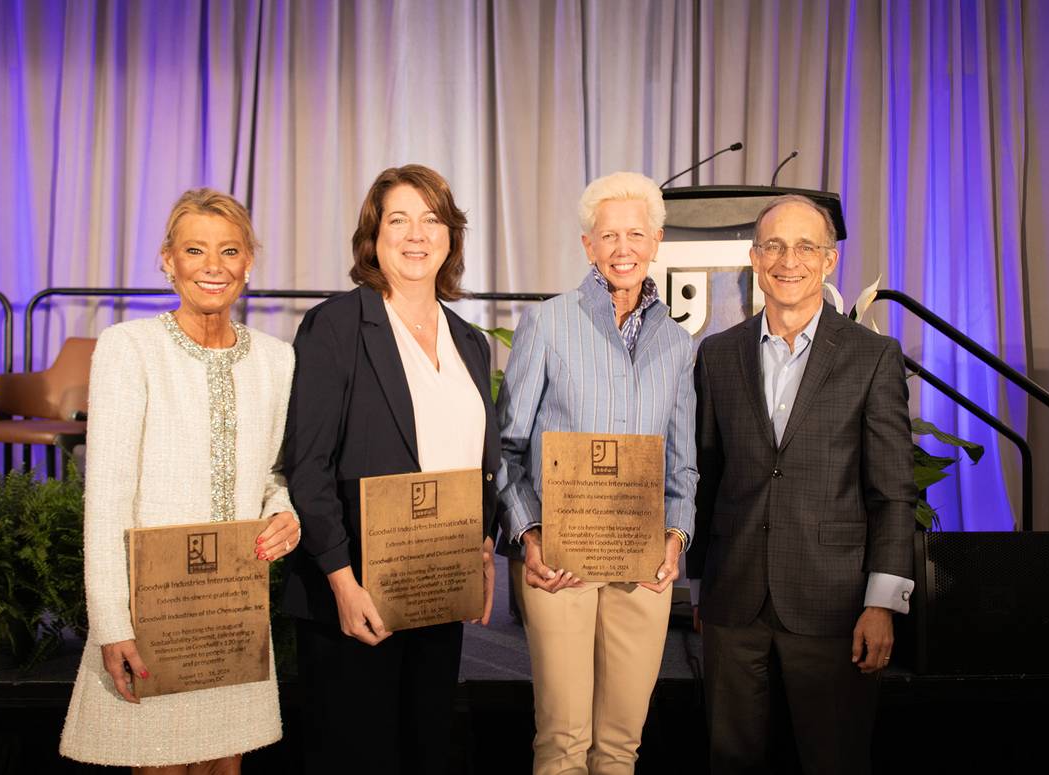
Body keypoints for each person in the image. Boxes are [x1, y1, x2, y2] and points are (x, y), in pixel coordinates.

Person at [60, 188, 302, 773]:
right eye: (195, 250)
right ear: (168, 260)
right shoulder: (129, 349)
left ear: (250, 261)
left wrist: (285, 511)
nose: (213, 266)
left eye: (229, 250)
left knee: (225, 764)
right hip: (152, 613)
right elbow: (107, 498)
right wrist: (112, 625)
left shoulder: (277, 359)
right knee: (160, 762)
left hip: (233, 610)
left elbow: (274, 472)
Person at [281, 164, 500, 775]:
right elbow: (309, 466)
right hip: (354, 596)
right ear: (372, 238)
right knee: (358, 756)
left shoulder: (470, 342)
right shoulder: (337, 325)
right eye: (397, 220)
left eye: (431, 220)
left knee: (427, 750)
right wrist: (343, 583)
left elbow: (478, 460)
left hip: (437, 588)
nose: (416, 235)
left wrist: (482, 545)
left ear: (451, 237)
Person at [687, 194, 917, 775]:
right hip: (732, 603)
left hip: (834, 605)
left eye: (805, 247)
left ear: (829, 261)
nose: (789, 260)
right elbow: (707, 478)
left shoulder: (873, 357)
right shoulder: (717, 356)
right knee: (728, 760)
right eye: (774, 246)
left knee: (833, 760)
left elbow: (891, 493)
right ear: (755, 258)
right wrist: (700, 587)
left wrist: (881, 604)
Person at [495, 171, 698, 774]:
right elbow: (508, 448)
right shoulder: (549, 323)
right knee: (563, 740)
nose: (622, 248)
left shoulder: (677, 345)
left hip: (644, 568)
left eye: (635, 233)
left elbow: (682, 464)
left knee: (620, 745)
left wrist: (676, 536)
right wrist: (530, 536)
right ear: (588, 246)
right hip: (560, 565)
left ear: (657, 241)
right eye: (608, 235)